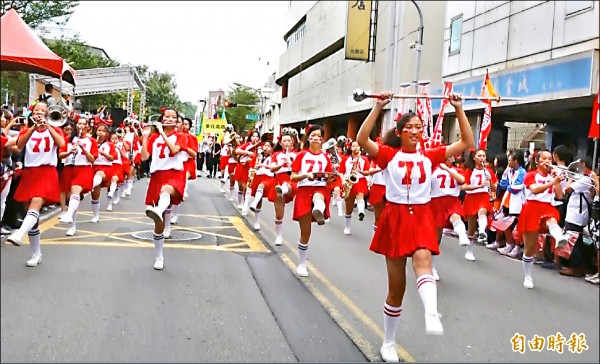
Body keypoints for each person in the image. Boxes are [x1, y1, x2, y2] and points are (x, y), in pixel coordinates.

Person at [356, 91, 473, 362]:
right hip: (395, 216)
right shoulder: (388, 155)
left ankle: (431, 312)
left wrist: (458, 108)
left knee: (424, 260)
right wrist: (377, 107)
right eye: (409, 127)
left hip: (421, 215)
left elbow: (467, 142)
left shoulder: (430, 156)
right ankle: (389, 342)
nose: (415, 131)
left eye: (419, 127)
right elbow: (361, 139)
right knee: (397, 287)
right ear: (398, 132)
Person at [7, 101, 66, 267]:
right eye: (37, 111)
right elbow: (19, 146)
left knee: (36, 202)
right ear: (32, 114)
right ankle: (36, 253)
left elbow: (61, 144)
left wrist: (48, 126)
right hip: (30, 173)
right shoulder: (27, 131)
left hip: (47, 171)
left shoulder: (55, 129)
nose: (39, 113)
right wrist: (33, 127)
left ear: (48, 114)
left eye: (43, 111)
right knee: (31, 214)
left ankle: (20, 234)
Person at [516, 150, 569, 289]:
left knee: (552, 220)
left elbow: (560, 196)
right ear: (538, 161)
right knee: (530, 249)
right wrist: (553, 181)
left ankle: (559, 238)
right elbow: (535, 190)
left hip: (547, 207)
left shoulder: (552, 176)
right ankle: (528, 275)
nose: (547, 161)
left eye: (549, 159)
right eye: (544, 159)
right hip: (531, 208)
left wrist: (556, 180)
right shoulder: (530, 175)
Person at [142, 108, 187, 270]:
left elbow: (174, 150)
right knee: (158, 224)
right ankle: (159, 256)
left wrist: (162, 132)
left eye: (173, 117)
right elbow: (144, 157)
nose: (169, 119)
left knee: (166, 190)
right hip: (157, 176)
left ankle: (160, 209)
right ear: (162, 118)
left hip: (174, 174)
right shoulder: (154, 137)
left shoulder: (181, 136)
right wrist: (145, 137)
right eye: (166, 116)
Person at [290, 124, 335, 277]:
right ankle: (302, 264)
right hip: (304, 190)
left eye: (319, 136)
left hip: (319, 188)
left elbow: (330, 177)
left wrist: (331, 179)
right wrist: (305, 175)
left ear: (322, 140)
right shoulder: (301, 155)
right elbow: (293, 177)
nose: (316, 138)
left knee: (319, 197)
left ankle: (318, 209)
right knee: (305, 233)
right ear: (309, 137)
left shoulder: (326, 157)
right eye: (313, 135)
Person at [430, 156, 471, 278]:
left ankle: (462, 236)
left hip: (452, 199)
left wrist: (447, 169)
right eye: (448, 156)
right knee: (436, 239)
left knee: (456, 217)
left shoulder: (457, 170)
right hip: (436, 201)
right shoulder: (433, 169)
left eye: (452, 156)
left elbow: (462, 180)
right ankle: (432, 268)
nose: (450, 158)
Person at [58, 117, 98, 236]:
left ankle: (68, 214)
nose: (81, 126)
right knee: (70, 197)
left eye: (83, 124)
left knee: (76, 190)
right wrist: (70, 152)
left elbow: (92, 159)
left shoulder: (92, 141)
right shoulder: (68, 139)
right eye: (79, 124)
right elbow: (60, 155)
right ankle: (72, 225)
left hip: (84, 168)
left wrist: (83, 149)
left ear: (87, 127)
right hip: (69, 168)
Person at [558, 156, 596, 278]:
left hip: (577, 214)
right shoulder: (583, 177)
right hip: (574, 212)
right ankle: (576, 265)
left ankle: (577, 267)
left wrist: (570, 177)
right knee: (577, 240)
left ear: (583, 164)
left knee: (574, 241)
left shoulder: (586, 178)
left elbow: (567, 189)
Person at [493, 151, 526, 257]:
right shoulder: (510, 171)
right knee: (505, 224)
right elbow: (503, 184)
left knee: (516, 226)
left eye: (510, 160)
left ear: (516, 161)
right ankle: (509, 244)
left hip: (518, 202)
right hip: (508, 201)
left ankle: (517, 247)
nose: (508, 162)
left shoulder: (522, 172)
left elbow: (516, 187)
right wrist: (505, 174)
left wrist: (509, 186)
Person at [268, 131, 298, 246]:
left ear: (292, 142)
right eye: (284, 141)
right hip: (279, 179)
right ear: (280, 143)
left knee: (290, 187)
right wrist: (282, 164)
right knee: (279, 213)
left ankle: (285, 188)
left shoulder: (297, 154)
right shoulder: (276, 155)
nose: (286, 143)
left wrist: (292, 161)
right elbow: (272, 168)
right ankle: (279, 235)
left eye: (289, 141)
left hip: (292, 179)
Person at [462, 149, 497, 245]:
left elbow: (494, 189)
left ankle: (482, 231)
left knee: (482, 211)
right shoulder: (470, 171)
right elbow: (464, 186)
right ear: (474, 158)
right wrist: (479, 186)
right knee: (471, 229)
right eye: (479, 156)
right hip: (471, 197)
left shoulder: (489, 171)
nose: (482, 158)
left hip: (484, 196)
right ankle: (470, 249)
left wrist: (490, 181)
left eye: (483, 156)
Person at [339, 141, 371, 235]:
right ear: (350, 148)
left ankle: (361, 212)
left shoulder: (364, 159)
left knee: (360, 195)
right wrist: (343, 181)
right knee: (349, 208)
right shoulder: (346, 159)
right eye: (353, 146)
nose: (355, 147)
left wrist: (359, 171)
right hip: (348, 181)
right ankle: (347, 226)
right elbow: (341, 171)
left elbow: (367, 172)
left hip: (360, 180)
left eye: (357, 146)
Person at [89, 124, 117, 223]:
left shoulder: (110, 145)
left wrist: (102, 152)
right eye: (99, 130)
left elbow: (112, 158)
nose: (100, 133)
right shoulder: (91, 142)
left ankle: (90, 186)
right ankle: (96, 215)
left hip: (105, 167)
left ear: (106, 133)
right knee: (95, 195)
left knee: (99, 175)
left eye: (103, 131)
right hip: (93, 167)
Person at [248, 140, 274, 230]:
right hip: (258, 176)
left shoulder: (274, 157)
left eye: (269, 146)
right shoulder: (259, 155)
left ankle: (254, 203)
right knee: (259, 200)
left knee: (261, 186)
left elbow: (274, 168)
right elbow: (253, 166)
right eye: (265, 145)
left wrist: (263, 165)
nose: (266, 147)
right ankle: (257, 221)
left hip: (268, 177)